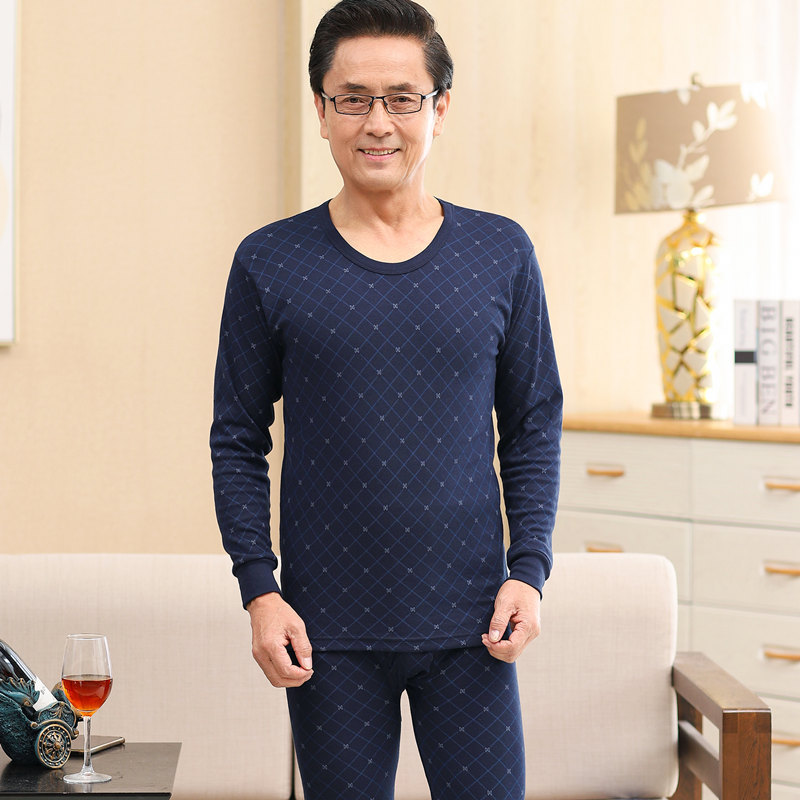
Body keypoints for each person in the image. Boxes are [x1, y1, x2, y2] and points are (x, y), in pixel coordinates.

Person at [210, 1, 562, 797]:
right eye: (353, 98)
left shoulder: (501, 252)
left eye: (402, 98)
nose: (378, 122)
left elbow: (533, 425)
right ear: (321, 110)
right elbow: (237, 438)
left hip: (475, 624)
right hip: (324, 632)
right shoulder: (269, 260)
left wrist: (530, 571)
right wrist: (260, 591)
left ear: (440, 107)